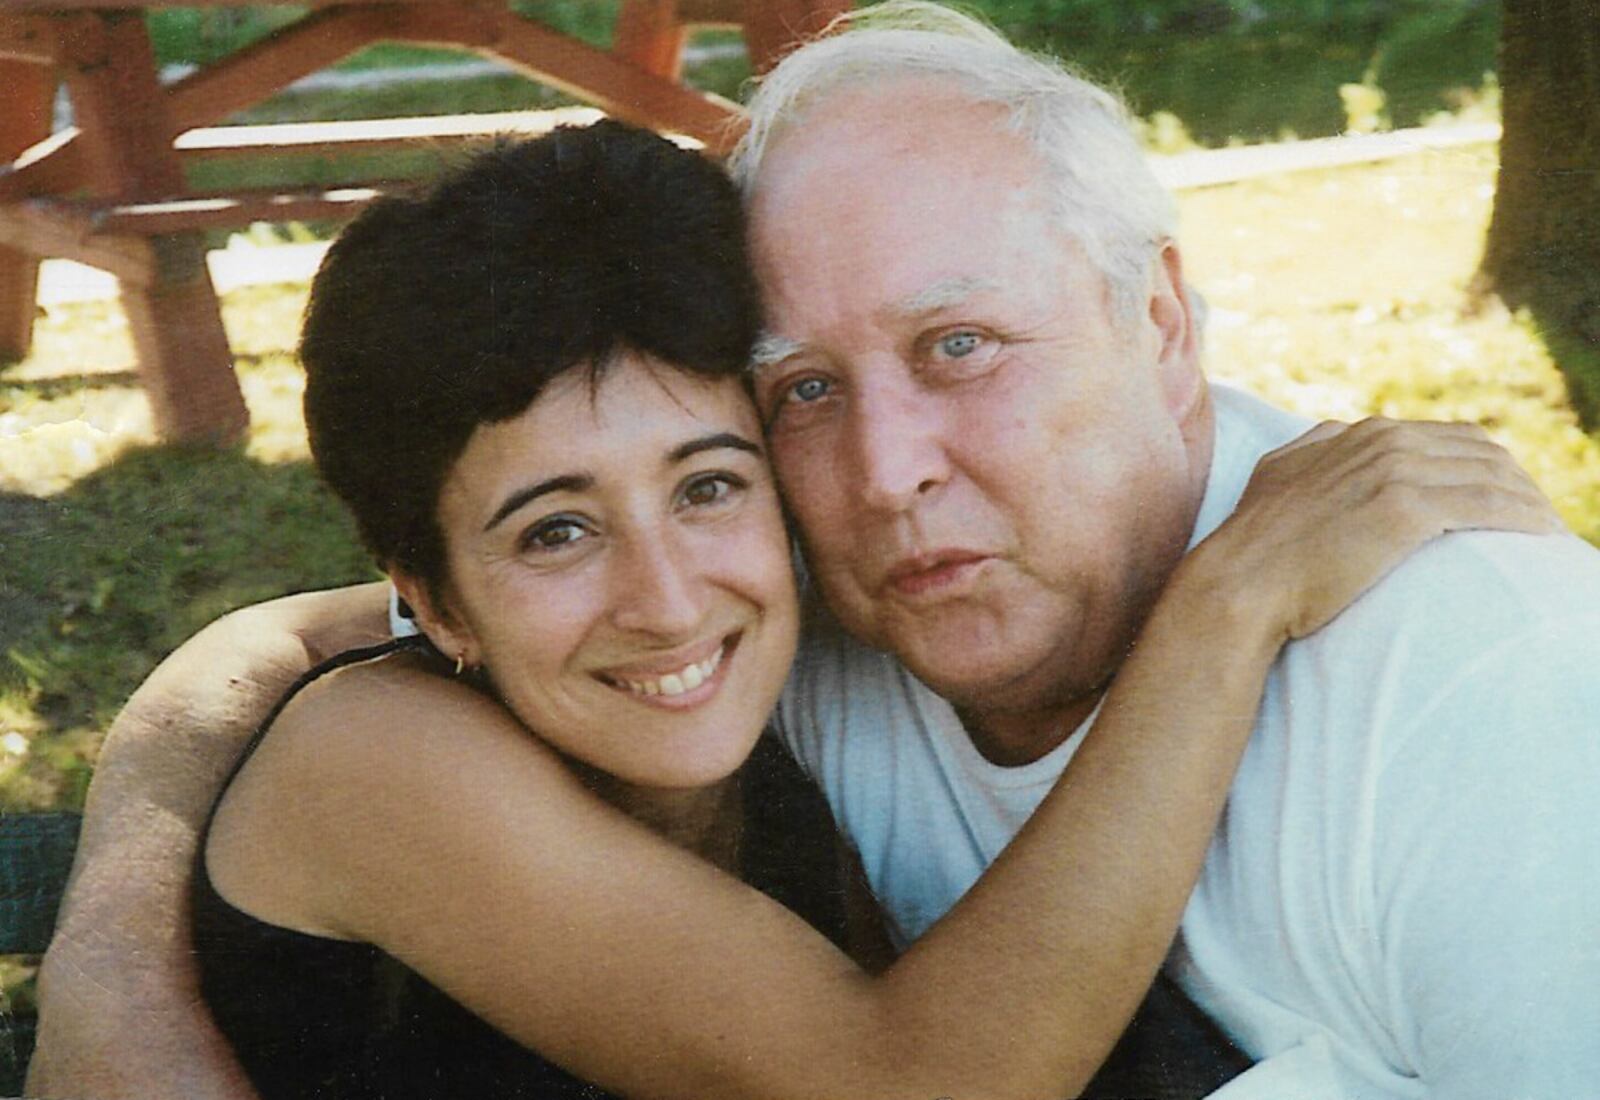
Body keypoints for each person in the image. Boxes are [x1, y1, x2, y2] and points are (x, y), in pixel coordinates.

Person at [25, 9, 1588, 1099]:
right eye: (808, 391)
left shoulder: (1482, 694)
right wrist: (109, 973)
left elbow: (287, 637)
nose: (667, 591)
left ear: (1162, 323)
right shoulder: (453, 739)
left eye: (964, 346)